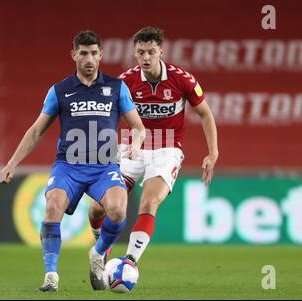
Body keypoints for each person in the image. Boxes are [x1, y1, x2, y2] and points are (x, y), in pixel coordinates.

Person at [0, 31, 145, 292]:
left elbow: (138, 126)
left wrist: (134, 144)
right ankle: (51, 276)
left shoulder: (116, 88)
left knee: (119, 210)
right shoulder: (60, 90)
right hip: (69, 166)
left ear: (101, 55)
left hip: (104, 167)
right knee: (53, 205)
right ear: (74, 55)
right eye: (83, 53)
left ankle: (98, 253)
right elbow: (36, 131)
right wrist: (11, 163)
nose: (89, 59)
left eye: (94, 53)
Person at [89, 27, 219, 265]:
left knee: (149, 202)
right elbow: (105, 116)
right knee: (98, 207)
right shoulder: (125, 82)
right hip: (131, 148)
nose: (146, 57)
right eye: (140, 52)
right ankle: (100, 249)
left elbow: (206, 114)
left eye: (151, 51)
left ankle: (129, 262)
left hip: (166, 148)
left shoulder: (182, 79)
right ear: (135, 53)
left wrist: (213, 152)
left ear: (161, 51)